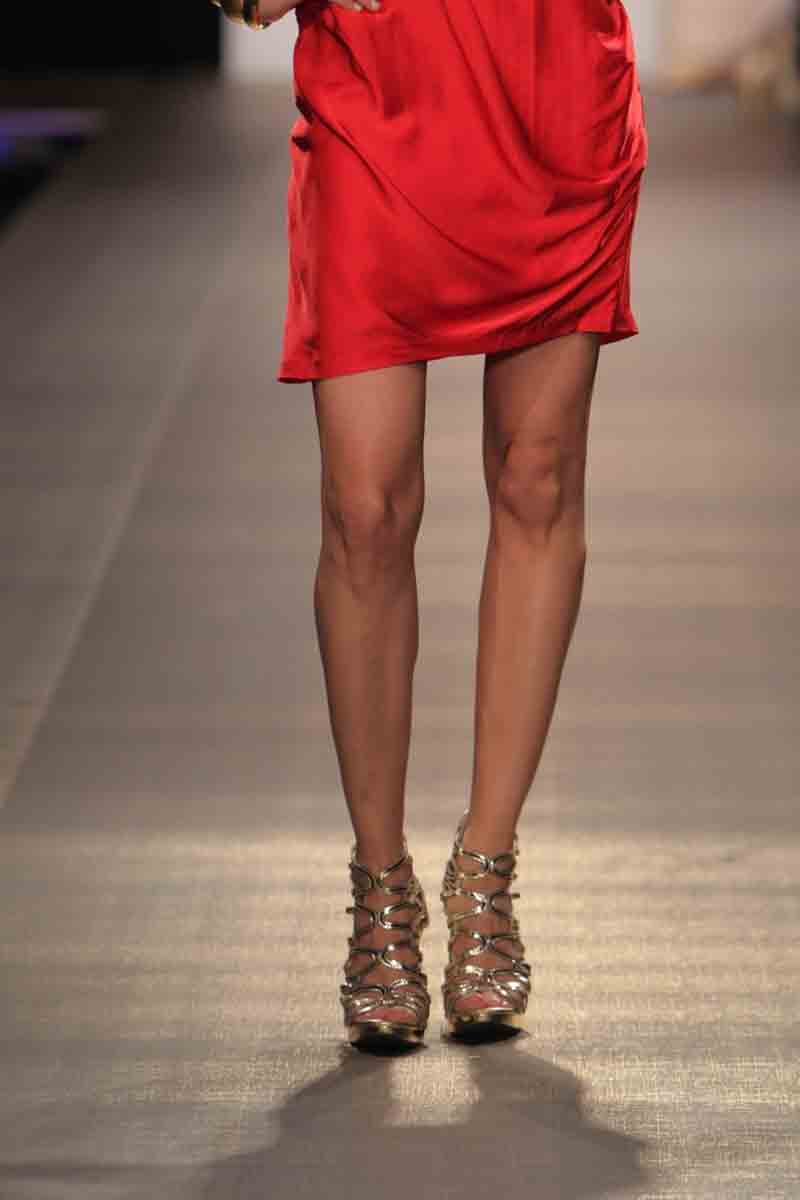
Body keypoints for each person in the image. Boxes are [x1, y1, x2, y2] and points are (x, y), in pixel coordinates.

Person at [215, 0, 649, 1048]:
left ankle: (485, 876)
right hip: (378, 99)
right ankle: (381, 887)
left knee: (537, 478)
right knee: (364, 509)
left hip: (551, 91)